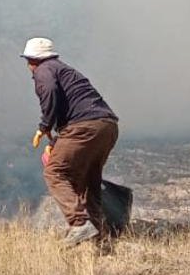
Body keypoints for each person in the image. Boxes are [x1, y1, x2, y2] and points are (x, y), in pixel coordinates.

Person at [21, 37, 119, 247]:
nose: (28, 67)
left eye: (28, 61)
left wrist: (44, 126)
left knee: (54, 171)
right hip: (106, 126)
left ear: (32, 60)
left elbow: (49, 92)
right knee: (88, 184)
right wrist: (57, 138)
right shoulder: (64, 69)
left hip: (85, 126)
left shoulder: (44, 70)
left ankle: (79, 224)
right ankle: (103, 242)